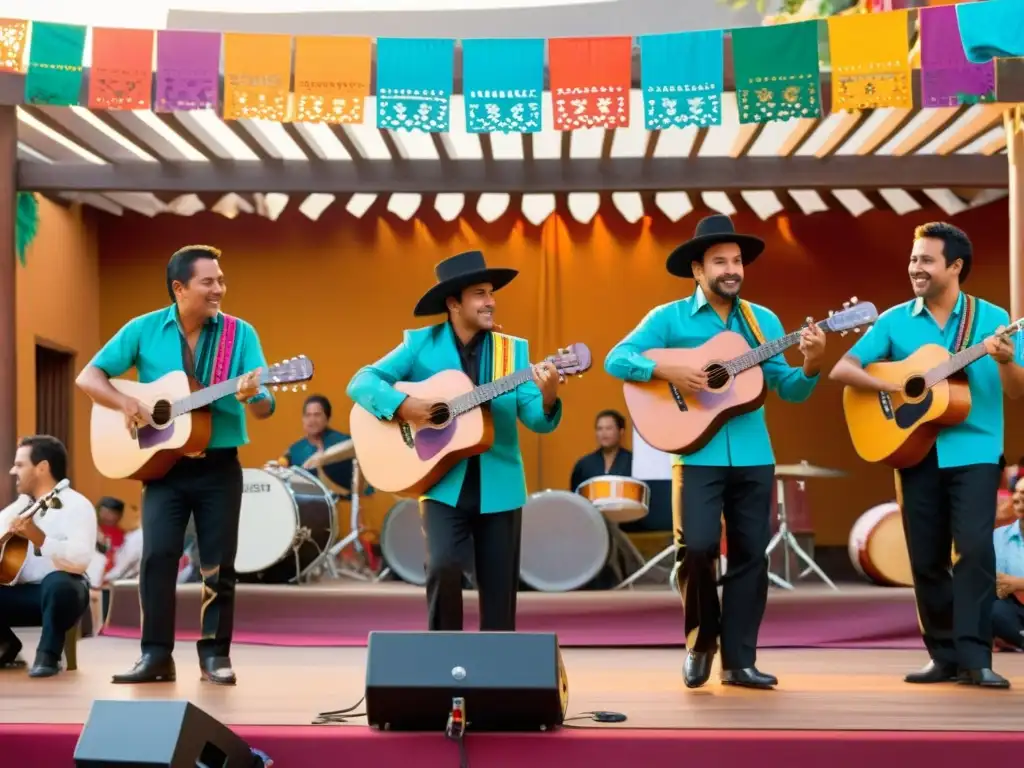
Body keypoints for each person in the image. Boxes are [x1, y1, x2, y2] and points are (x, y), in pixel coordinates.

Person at [605, 214, 825, 690]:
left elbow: (787, 387)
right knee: (698, 548)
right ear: (697, 271)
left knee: (751, 555)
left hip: (752, 454)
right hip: (695, 454)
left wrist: (810, 363)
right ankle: (701, 643)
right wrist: (669, 375)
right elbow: (616, 358)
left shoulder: (762, 320)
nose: (732, 269)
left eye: (737, 261)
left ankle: (740, 661)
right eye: (720, 261)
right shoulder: (668, 318)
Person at [829, 221, 1024, 689]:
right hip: (912, 449)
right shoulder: (894, 320)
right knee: (925, 557)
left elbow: (1016, 391)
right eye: (914, 258)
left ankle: (977, 659)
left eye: (926, 259)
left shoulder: (992, 319)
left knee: (974, 552)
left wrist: (1003, 360)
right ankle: (943, 655)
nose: (915, 267)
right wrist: (893, 384)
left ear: (955, 266)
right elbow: (843, 368)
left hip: (975, 450)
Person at [75, 244, 276, 686]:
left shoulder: (240, 335)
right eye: (209, 281)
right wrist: (126, 401)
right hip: (162, 468)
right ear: (179, 288)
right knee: (157, 558)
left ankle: (214, 657)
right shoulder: (143, 330)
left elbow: (265, 407)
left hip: (219, 466)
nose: (219, 288)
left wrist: (253, 394)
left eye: (221, 280)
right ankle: (155, 657)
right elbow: (88, 377)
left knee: (218, 565)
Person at [347, 250, 563, 632]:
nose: (490, 301)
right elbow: (361, 382)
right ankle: (444, 660)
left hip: (500, 484)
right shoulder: (420, 344)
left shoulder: (513, 351)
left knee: (498, 590)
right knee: (444, 566)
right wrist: (406, 406)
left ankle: (496, 672)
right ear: (453, 303)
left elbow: (536, 420)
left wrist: (547, 396)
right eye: (479, 294)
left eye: (491, 293)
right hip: (442, 482)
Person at [0, 436, 95, 678]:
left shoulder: (77, 505)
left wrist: (41, 539)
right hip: (21, 595)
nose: (13, 471)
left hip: (65, 594)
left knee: (58, 582)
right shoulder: (14, 509)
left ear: (42, 467)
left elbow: (80, 560)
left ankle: (48, 656)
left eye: (20, 465)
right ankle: (6, 644)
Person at [994, 474, 1024, 651]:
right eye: (1016, 492)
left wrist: (1017, 583)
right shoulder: (998, 536)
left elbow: (1010, 583)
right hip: (1014, 607)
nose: (1018, 497)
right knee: (993, 608)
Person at [569, 409, 633, 491]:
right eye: (599, 429)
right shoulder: (584, 465)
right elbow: (575, 497)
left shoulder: (633, 462)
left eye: (609, 428)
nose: (604, 433)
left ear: (621, 431)